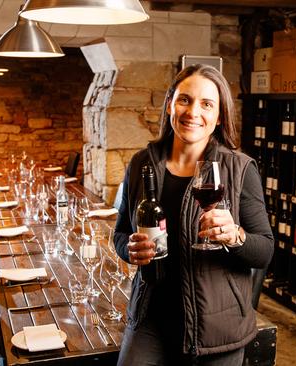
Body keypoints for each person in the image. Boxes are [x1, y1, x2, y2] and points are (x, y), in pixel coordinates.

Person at [113, 64, 274, 365]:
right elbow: (120, 232)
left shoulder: (239, 169)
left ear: (219, 116)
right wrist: (129, 249)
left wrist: (236, 237)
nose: (193, 112)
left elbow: (264, 251)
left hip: (216, 330)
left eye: (207, 104)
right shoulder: (140, 164)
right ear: (170, 104)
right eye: (185, 99)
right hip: (151, 318)